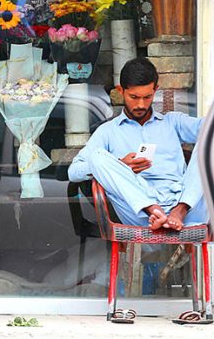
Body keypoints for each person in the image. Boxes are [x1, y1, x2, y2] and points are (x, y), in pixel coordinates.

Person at [68, 57, 209, 231]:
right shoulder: (108, 131)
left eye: (147, 97)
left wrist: (181, 207)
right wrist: (121, 165)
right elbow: (73, 172)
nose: (141, 104)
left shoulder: (173, 122)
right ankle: (154, 211)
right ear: (121, 91)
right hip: (139, 214)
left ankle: (178, 211)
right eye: (134, 97)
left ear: (155, 90)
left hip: (184, 208)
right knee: (97, 157)